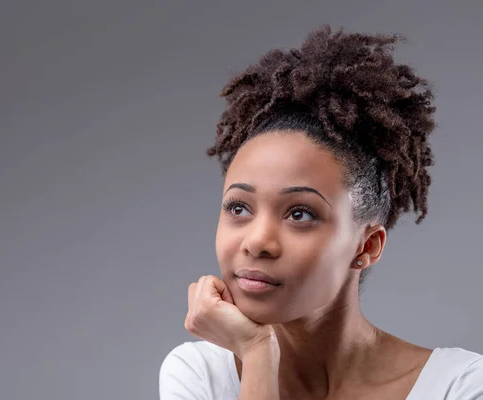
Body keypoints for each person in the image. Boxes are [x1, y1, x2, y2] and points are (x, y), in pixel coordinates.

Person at [159, 25, 483, 400]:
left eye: (300, 214)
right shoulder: (201, 375)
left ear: (367, 246)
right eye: (239, 207)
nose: (258, 241)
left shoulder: (460, 387)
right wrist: (257, 351)